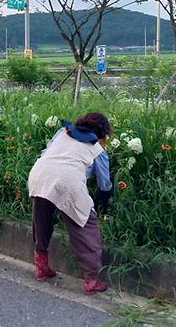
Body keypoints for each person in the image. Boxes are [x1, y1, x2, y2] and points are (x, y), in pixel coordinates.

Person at [28, 112, 113, 294]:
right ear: (102, 133)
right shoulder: (98, 150)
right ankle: (91, 279)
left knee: (41, 221)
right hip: (68, 182)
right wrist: (103, 203)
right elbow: (104, 184)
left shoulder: (62, 132)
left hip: (39, 174)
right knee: (85, 227)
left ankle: (41, 267)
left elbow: (47, 153)